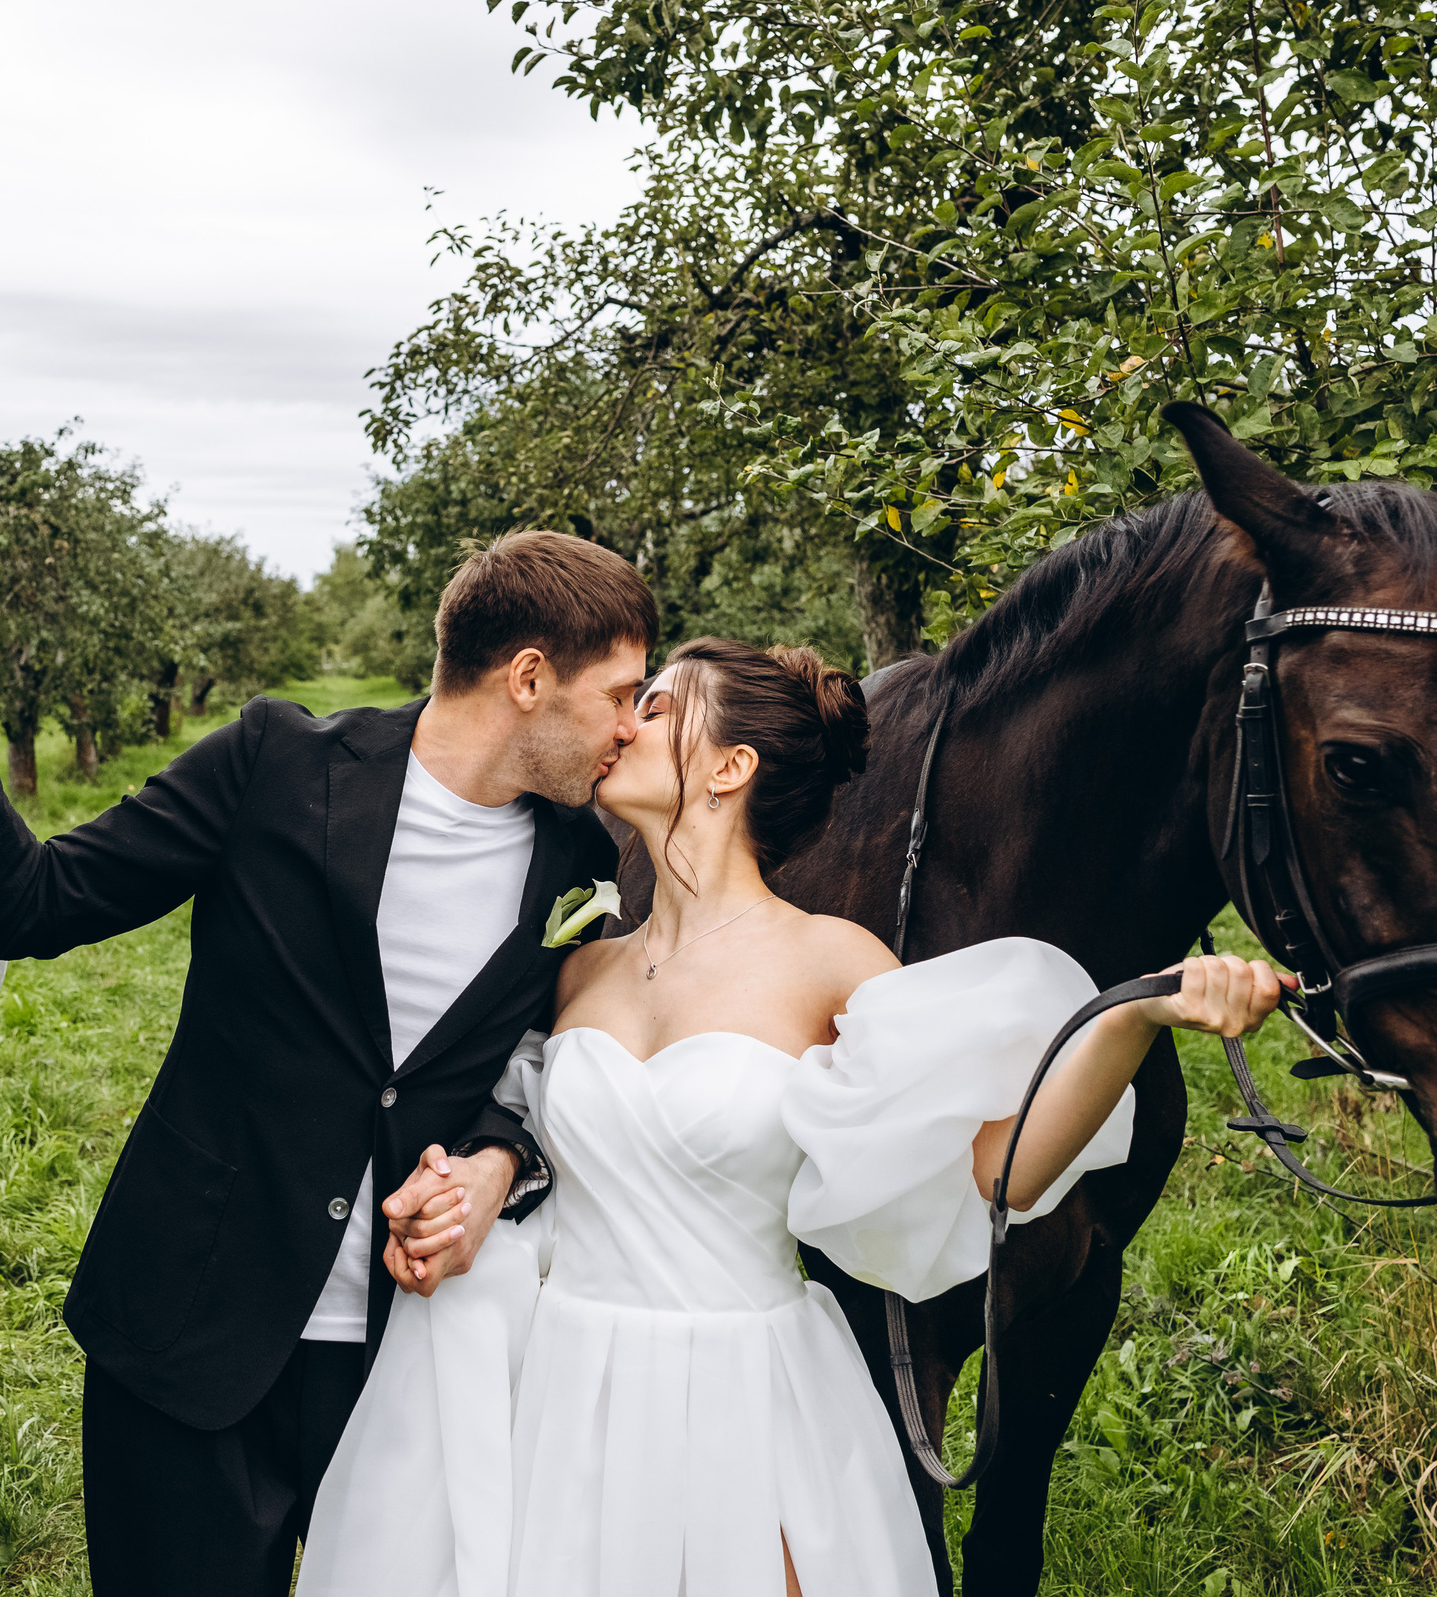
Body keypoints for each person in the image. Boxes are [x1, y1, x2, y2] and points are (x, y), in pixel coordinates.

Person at [298, 638, 1286, 1597]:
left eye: (655, 707)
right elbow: (503, 1114)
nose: (623, 724)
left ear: (730, 768)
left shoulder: (829, 960)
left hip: (742, 1395)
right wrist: (470, 1174)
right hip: (561, 1380)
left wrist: (1135, 1017)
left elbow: (999, 1169)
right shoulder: (582, 963)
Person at [0, 530, 658, 1595]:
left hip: (415, 1360)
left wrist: (499, 1160)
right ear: (529, 677)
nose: (631, 727)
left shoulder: (585, 857)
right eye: (621, 694)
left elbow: (551, 1051)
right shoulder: (276, 762)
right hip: (192, 1332)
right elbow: (28, 904)